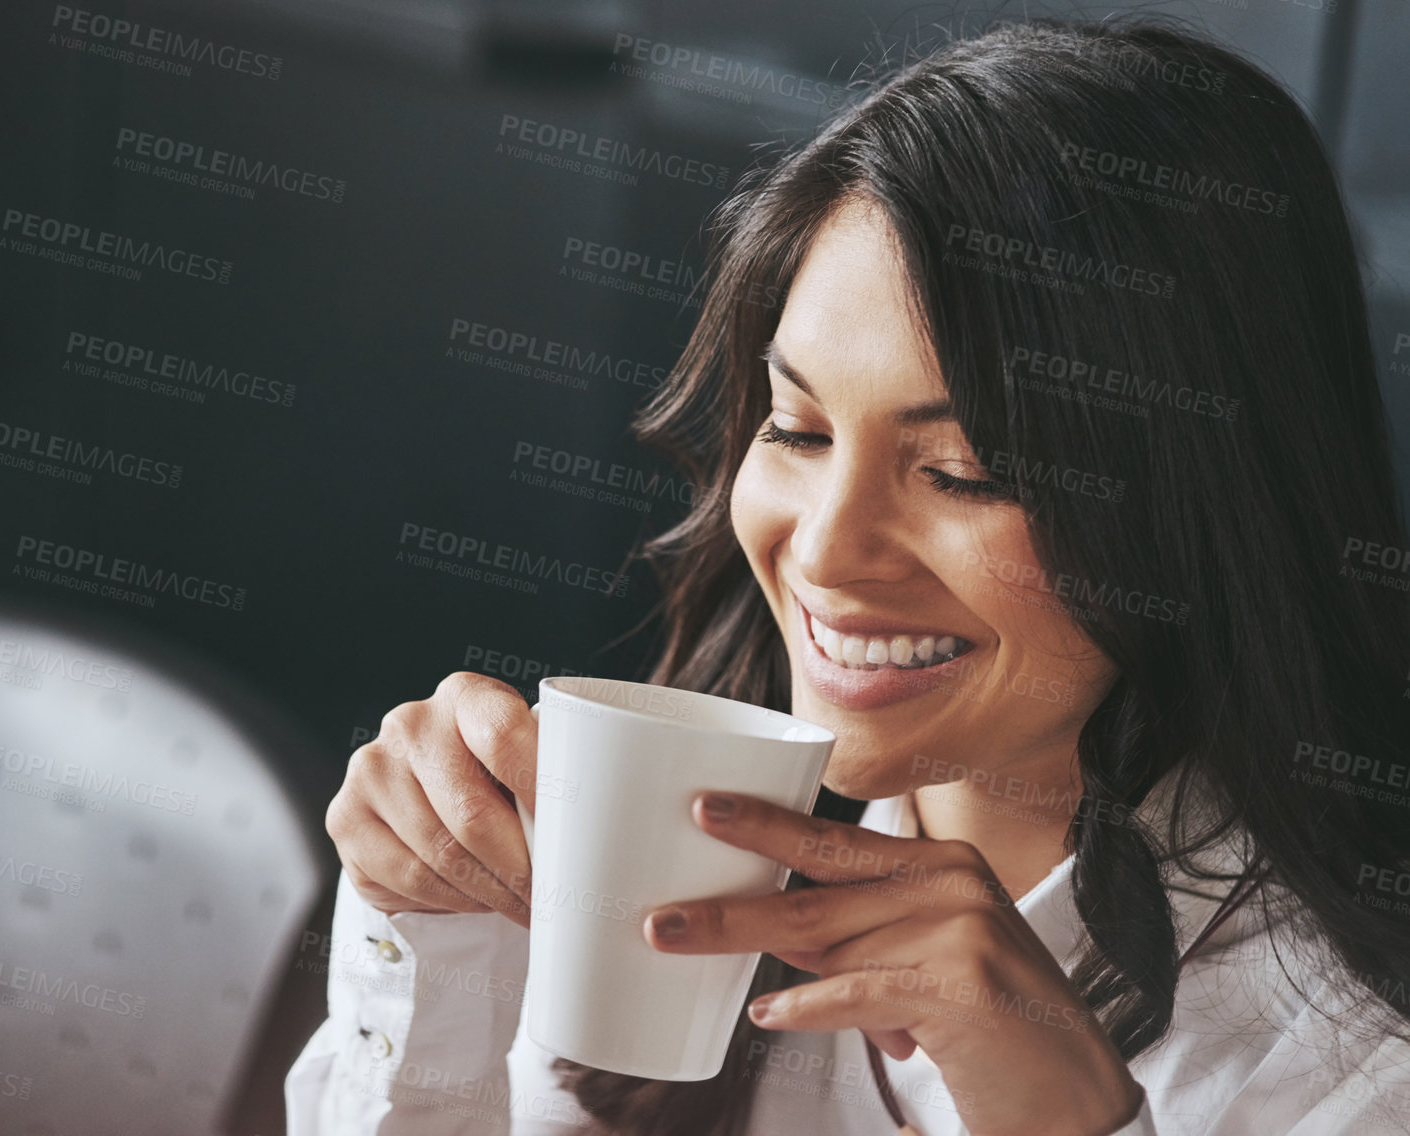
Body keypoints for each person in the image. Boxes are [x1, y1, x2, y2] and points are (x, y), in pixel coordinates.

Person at [285, 16, 1410, 1135]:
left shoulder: (1354, 1063)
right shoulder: (653, 847)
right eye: (798, 429)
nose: (823, 550)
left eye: (964, 472)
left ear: (1207, 497)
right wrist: (425, 929)